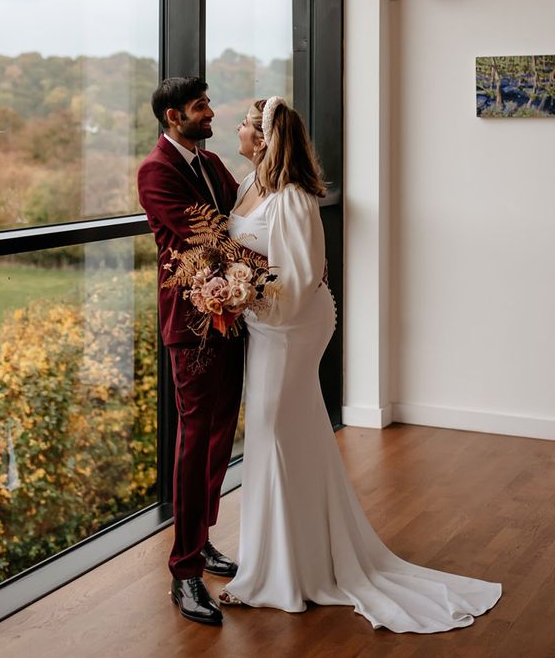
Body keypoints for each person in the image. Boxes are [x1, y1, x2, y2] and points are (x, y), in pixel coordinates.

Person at [221, 96, 502, 632]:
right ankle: (279, 561)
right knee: (280, 436)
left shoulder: (295, 198)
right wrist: (237, 291)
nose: (236, 127)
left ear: (262, 137)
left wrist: (244, 296)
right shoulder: (247, 185)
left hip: (293, 327)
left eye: (244, 123)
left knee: (275, 432)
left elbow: (301, 278)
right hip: (266, 325)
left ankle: (282, 573)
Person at [137, 77, 243, 626]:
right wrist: (262, 262)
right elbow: (203, 236)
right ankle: (184, 575)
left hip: (232, 313)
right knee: (194, 438)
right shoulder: (156, 171)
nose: (212, 113)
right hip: (191, 323)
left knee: (222, 433)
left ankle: (200, 541)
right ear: (174, 116)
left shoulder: (212, 160)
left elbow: (238, 212)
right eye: (202, 107)